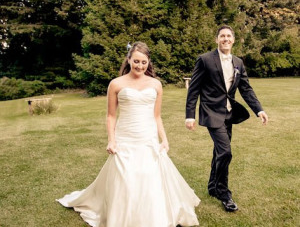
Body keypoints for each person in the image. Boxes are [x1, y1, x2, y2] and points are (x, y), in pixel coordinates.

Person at [57, 41, 200, 227]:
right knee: (126, 179)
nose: (139, 66)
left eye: (144, 62)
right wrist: (111, 140)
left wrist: (164, 139)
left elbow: (157, 116)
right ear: (129, 60)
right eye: (136, 61)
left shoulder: (156, 85)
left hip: (147, 138)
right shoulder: (116, 84)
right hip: (125, 138)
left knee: (149, 178)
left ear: (149, 62)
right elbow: (110, 115)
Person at [185, 25, 268, 212]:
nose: (225, 39)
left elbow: (245, 88)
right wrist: (189, 115)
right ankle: (224, 193)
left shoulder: (238, 62)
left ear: (233, 39)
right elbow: (194, 89)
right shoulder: (205, 60)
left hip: (228, 114)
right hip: (211, 112)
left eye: (228, 36)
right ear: (217, 39)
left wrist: (259, 110)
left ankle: (213, 187)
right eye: (222, 36)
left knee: (219, 152)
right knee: (225, 152)